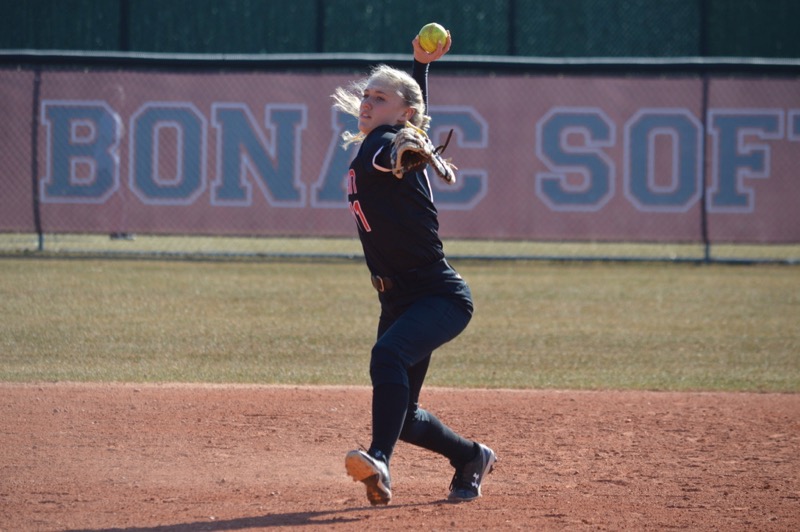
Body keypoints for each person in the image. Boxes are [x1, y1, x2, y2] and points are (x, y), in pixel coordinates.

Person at [331, 30, 496, 506]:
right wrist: (420, 65)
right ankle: (470, 457)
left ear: (402, 114)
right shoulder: (387, 140)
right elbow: (406, 119)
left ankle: (378, 461)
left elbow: (393, 142)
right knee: (403, 414)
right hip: (398, 296)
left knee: (387, 357)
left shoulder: (384, 144)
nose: (367, 102)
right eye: (365, 94)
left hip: (438, 295)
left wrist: (403, 140)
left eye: (378, 97)